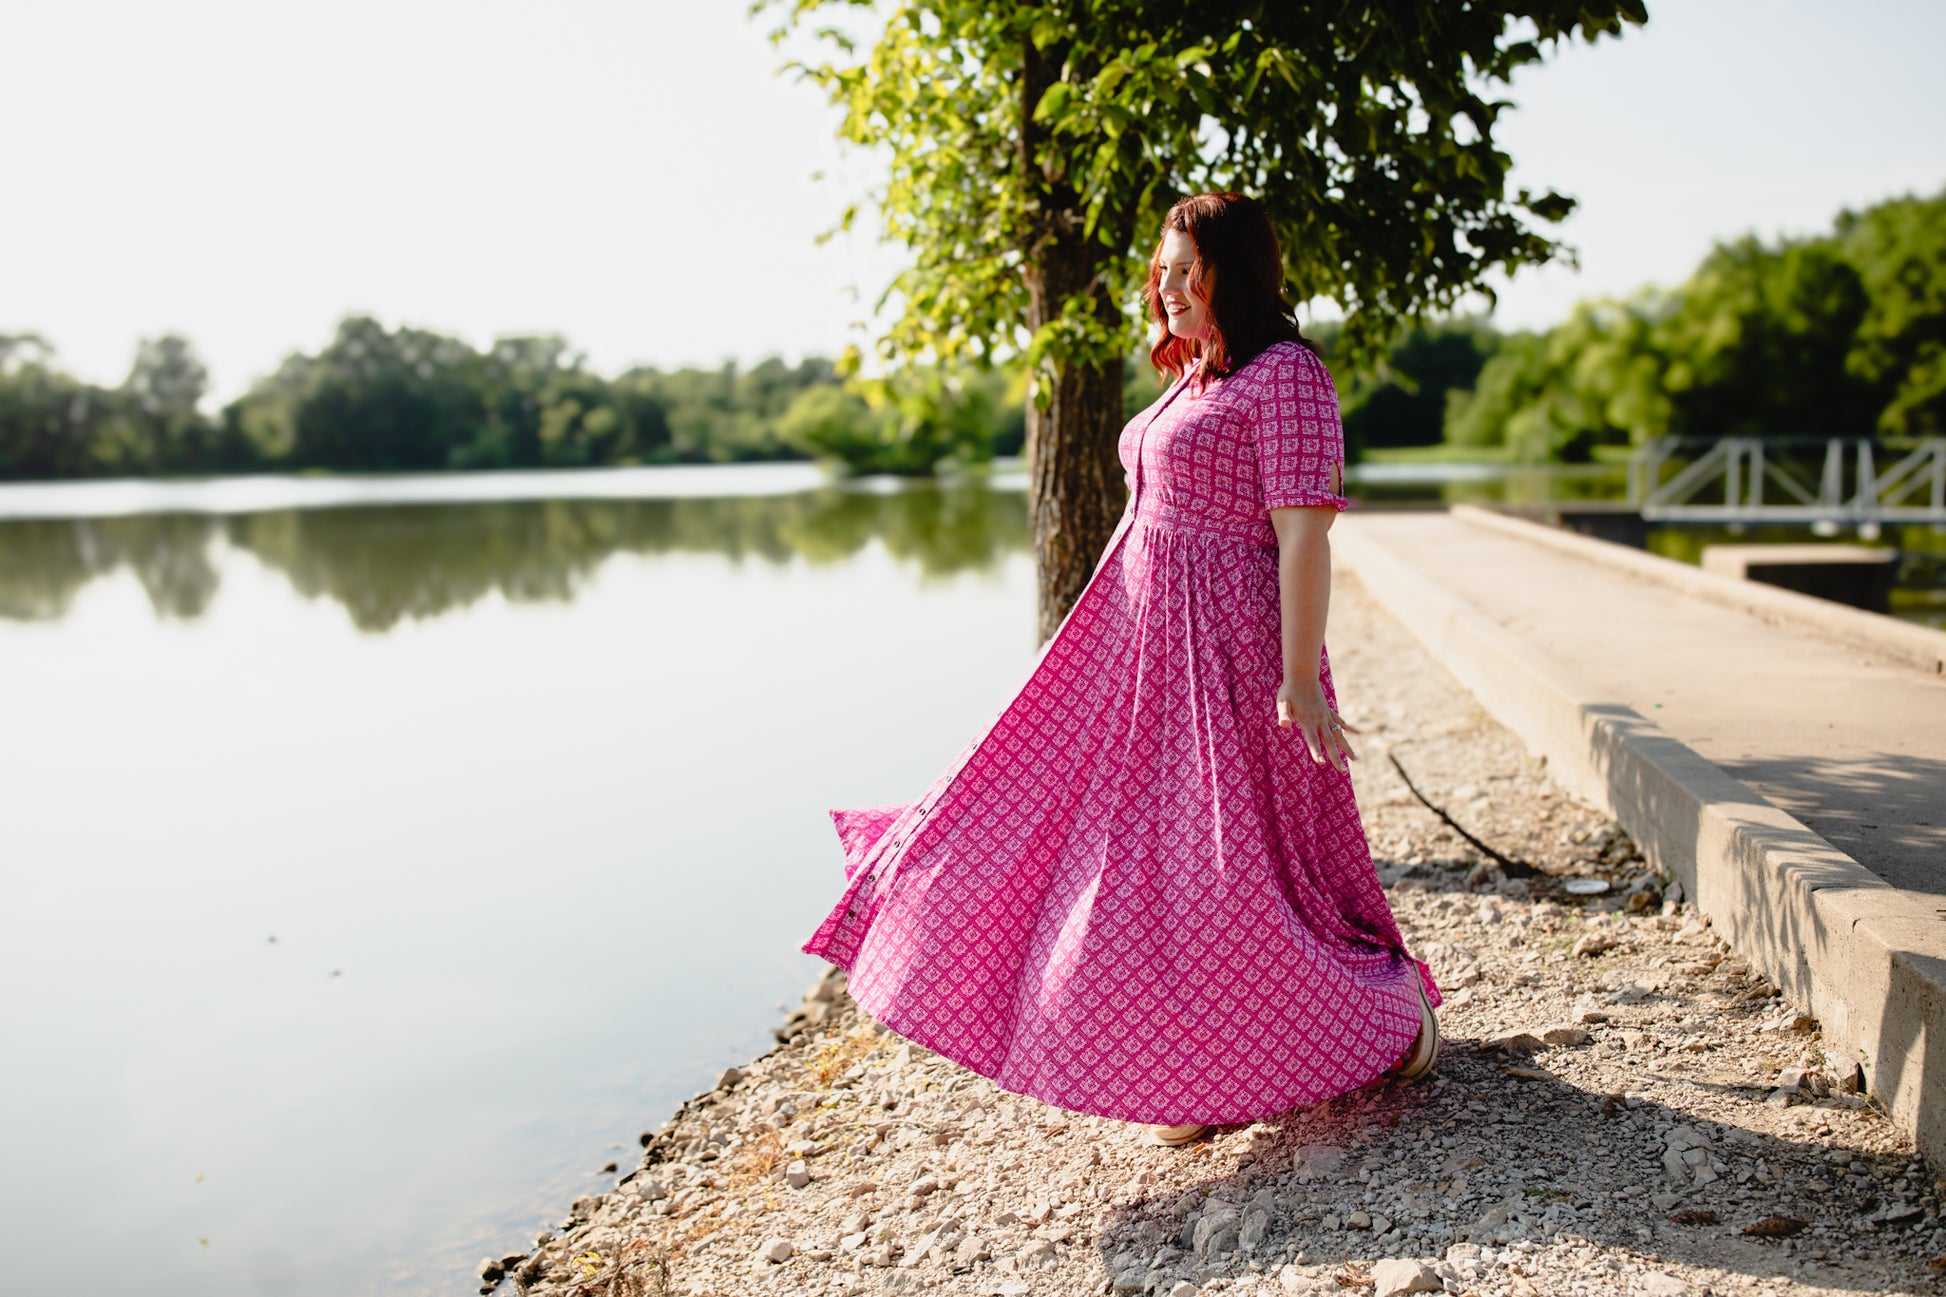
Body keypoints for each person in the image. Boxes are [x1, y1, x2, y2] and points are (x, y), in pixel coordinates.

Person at [803, 192, 1438, 1147]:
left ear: (1240, 272)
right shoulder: (1195, 379)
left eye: (1191, 270)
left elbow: (1304, 538)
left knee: (1225, 874)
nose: (1171, 287)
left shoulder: (1287, 374)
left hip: (1228, 656)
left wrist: (1298, 678)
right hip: (1137, 653)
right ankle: (1189, 1066)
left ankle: (1388, 1025)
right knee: (1095, 852)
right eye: (1164, 270)